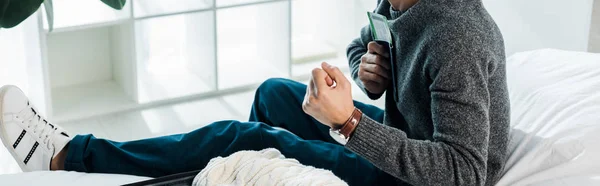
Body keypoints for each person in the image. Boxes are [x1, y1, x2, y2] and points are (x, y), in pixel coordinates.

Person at [0, 0, 510, 185]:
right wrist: (367, 73)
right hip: (403, 143)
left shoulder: (457, 34)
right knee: (271, 95)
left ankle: (66, 157)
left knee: (240, 137)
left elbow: (463, 173)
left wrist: (350, 124)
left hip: (412, 180)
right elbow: (363, 42)